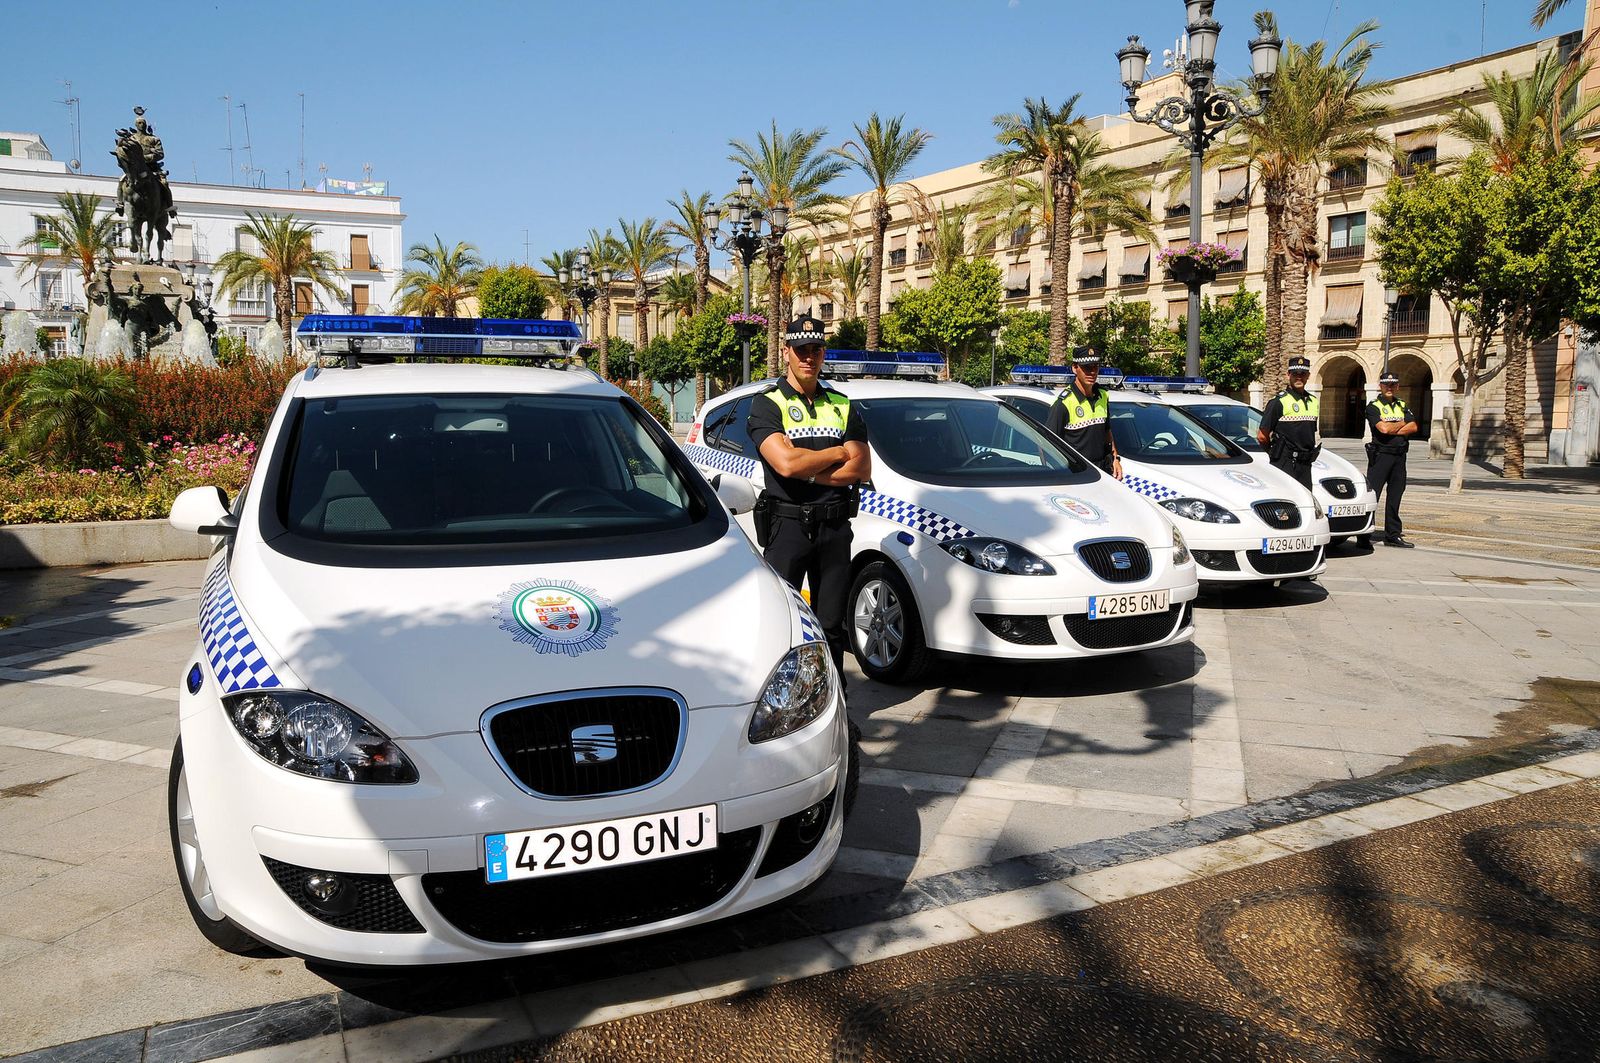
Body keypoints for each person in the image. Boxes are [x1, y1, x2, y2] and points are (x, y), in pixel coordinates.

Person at [748, 314, 872, 677]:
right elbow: (785, 464)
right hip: (786, 527)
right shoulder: (768, 403)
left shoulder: (842, 404)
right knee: (782, 626)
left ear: (823, 353)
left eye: (815, 349)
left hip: (834, 529)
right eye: (801, 349)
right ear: (786, 351)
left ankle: (835, 711)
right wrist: (835, 453)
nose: (808, 357)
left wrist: (807, 467)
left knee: (831, 628)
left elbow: (861, 469)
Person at [1044, 346, 1122, 478]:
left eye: (1095, 367)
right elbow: (1047, 445)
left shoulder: (1103, 396)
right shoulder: (1064, 403)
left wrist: (1116, 459)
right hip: (1076, 474)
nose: (1092, 372)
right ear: (1075, 368)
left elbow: (1107, 432)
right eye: (1087, 368)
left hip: (1103, 472)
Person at [1365, 369, 1418, 548]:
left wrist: (1394, 426)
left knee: (1396, 495)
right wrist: (1402, 423)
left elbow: (1414, 427)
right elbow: (1383, 430)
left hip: (1399, 456)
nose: (1390, 387)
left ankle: (1393, 534)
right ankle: (1364, 536)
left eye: (1393, 384)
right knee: (1373, 497)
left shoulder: (1402, 404)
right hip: (1380, 456)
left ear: (1397, 386)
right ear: (1380, 386)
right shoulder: (1373, 406)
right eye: (1386, 384)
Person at [1257, 355, 1321, 490]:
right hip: (1285, 462)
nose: (1299, 377)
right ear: (1288, 375)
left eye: (1303, 374)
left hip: (1305, 464)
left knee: (1306, 501)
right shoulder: (1278, 402)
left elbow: (1309, 433)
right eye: (1295, 374)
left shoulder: (1313, 401)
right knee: (1285, 505)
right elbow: (1262, 436)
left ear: (1308, 376)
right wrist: (1274, 453)